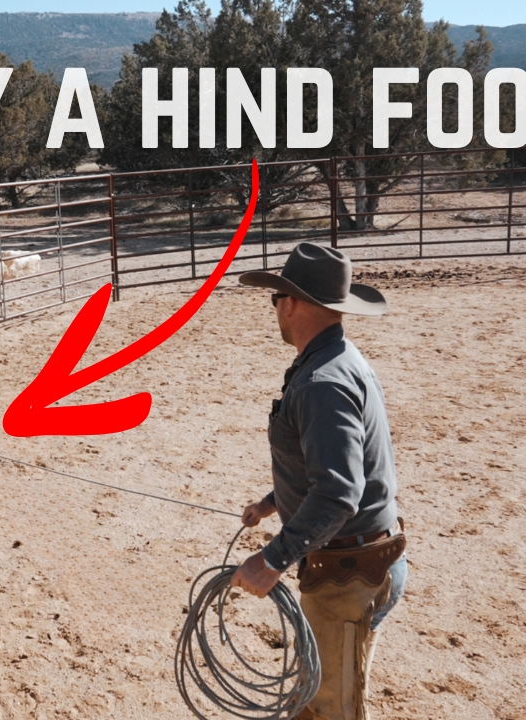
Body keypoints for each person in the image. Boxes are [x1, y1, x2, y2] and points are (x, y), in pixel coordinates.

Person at [230, 242, 407, 720]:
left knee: (331, 707)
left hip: (348, 575)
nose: (275, 312)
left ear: (290, 304)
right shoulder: (338, 359)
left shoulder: (321, 383)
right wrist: (273, 502)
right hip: (356, 558)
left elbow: (337, 492)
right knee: (316, 695)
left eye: (276, 300)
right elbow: (334, 466)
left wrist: (272, 559)